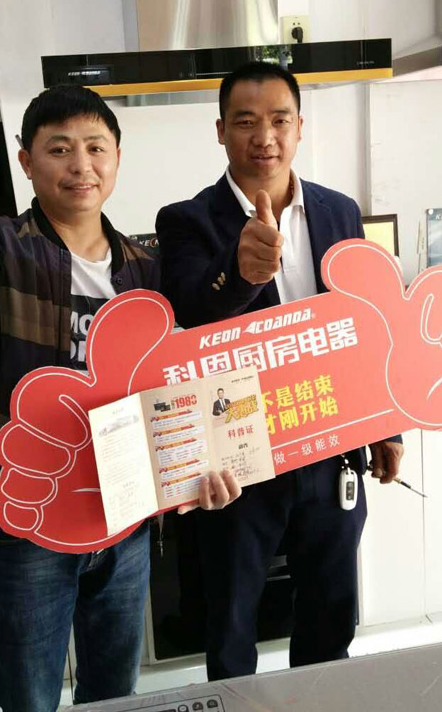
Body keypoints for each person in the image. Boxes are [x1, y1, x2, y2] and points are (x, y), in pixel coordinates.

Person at [0, 85, 239, 712]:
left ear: (117, 158)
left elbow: (174, 379)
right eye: (59, 149)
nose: (81, 165)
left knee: (115, 694)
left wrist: (200, 464)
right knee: (28, 698)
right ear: (26, 161)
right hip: (28, 521)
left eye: (95, 148)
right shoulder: (3, 245)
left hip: (124, 515)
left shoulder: (145, 267)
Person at [156, 62, 404, 681]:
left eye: (279, 120)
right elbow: (190, 310)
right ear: (221, 131)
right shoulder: (185, 221)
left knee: (331, 615)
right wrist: (240, 274)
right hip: (238, 458)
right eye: (245, 122)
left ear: (299, 127)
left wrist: (386, 425)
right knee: (232, 622)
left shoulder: (339, 211)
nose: (264, 137)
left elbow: (363, 324)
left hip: (331, 443)